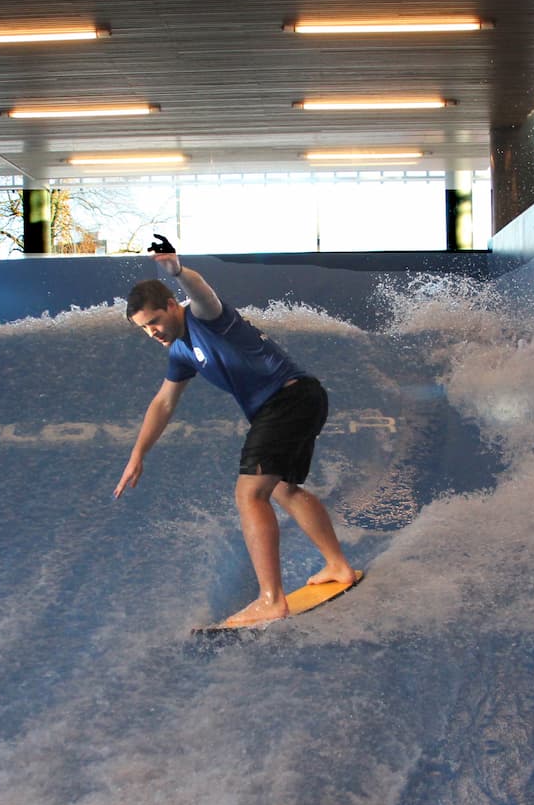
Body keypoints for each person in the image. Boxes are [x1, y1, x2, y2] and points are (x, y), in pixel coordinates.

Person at [114, 234, 360, 626]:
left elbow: (202, 291)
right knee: (284, 489)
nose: (153, 332)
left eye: (155, 321)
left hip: (287, 400)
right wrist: (137, 453)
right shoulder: (180, 351)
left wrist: (177, 270)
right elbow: (163, 403)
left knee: (249, 494)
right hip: (298, 400)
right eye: (144, 329)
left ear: (171, 306)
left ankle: (271, 599)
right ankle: (338, 566)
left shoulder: (207, 318)